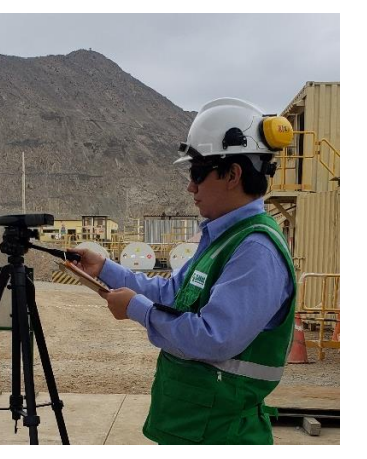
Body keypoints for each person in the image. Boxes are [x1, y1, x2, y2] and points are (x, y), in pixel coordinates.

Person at [70, 98, 297, 445]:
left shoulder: (256, 250)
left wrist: (136, 309)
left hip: (222, 435)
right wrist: (104, 268)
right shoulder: (223, 237)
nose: (191, 186)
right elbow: (173, 294)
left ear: (233, 174)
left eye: (197, 173)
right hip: (196, 424)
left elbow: (213, 338)